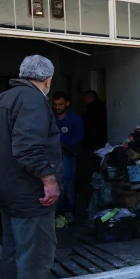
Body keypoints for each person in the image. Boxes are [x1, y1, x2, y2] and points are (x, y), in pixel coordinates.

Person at [0, 55, 67, 279]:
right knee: (36, 255)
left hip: (6, 190)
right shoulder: (32, 101)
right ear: (47, 80)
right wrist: (50, 181)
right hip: (31, 193)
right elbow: (28, 148)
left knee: (13, 253)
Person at [52, 91, 84, 222]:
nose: (57, 107)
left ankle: (68, 211)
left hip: (68, 154)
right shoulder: (50, 117)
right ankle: (54, 213)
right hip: (51, 156)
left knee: (67, 182)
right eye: (55, 104)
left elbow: (79, 137)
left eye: (60, 104)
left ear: (67, 103)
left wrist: (61, 141)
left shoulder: (75, 119)